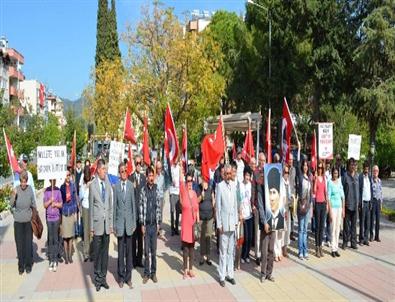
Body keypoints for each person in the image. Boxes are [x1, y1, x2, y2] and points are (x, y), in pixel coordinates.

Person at [89, 159, 113, 292]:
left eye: (106, 169)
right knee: (97, 253)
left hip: (106, 226)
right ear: (98, 170)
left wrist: (111, 224)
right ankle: (97, 279)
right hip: (97, 225)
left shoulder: (108, 184)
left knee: (105, 253)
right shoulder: (92, 186)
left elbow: (110, 205)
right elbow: (91, 209)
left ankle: (103, 278)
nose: (105, 171)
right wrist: (91, 227)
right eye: (104, 169)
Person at [113, 163, 136, 289]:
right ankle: (121, 277)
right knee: (120, 253)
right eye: (121, 171)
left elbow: (133, 205)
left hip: (129, 225)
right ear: (119, 173)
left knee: (129, 253)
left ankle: (129, 278)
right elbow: (114, 207)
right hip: (120, 225)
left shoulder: (131, 186)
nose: (123, 173)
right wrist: (114, 226)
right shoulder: (116, 187)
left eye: (125, 171)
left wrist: (134, 223)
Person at [10, 171, 36, 275]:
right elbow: (11, 204)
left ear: (27, 181)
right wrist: (13, 195)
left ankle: (28, 265)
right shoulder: (16, 189)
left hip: (28, 222)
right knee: (19, 245)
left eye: (25, 182)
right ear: (20, 181)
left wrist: (35, 216)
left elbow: (33, 203)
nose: (23, 184)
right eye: (21, 182)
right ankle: (21, 265)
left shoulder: (30, 189)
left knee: (28, 244)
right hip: (18, 222)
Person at [216, 165, 238, 287]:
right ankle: (222, 275)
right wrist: (219, 224)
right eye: (227, 174)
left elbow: (235, 205)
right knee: (223, 251)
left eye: (230, 173)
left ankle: (230, 274)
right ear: (224, 174)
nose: (229, 176)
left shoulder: (234, 186)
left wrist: (235, 222)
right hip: (224, 225)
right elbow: (218, 208)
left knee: (231, 250)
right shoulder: (220, 186)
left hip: (232, 224)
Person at [140, 166, 162, 284]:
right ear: (146, 177)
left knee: (153, 252)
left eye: (152, 175)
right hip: (146, 225)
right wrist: (142, 224)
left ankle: (153, 273)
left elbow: (158, 207)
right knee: (146, 252)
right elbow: (141, 208)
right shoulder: (143, 190)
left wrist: (159, 223)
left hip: (154, 225)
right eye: (149, 176)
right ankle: (146, 273)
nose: (151, 178)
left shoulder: (157, 189)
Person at [180, 170, 200, 279]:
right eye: (188, 181)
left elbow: (196, 209)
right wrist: (179, 169)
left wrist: (198, 223)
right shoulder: (184, 192)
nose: (189, 183)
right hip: (185, 224)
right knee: (186, 249)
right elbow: (180, 181)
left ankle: (191, 269)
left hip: (193, 224)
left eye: (191, 181)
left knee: (192, 248)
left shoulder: (195, 194)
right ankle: (185, 270)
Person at [129, 155, 146, 268]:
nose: (139, 165)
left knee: (140, 239)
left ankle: (139, 260)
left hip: (141, 214)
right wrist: (134, 187)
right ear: (135, 164)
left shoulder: (144, 178)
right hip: (133, 214)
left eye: (140, 163)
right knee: (133, 239)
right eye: (137, 163)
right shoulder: (130, 178)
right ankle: (133, 261)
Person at [60, 169, 79, 264]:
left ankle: (70, 255)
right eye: (66, 175)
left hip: (71, 212)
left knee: (71, 236)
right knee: (65, 237)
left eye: (69, 175)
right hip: (64, 213)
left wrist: (75, 212)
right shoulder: (62, 187)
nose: (68, 177)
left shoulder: (73, 186)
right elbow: (61, 200)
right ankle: (66, 256)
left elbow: (75, 200)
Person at [43, 179, 62, 272]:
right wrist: (50, 201)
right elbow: (44, 205)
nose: (53, 181)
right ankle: (51, 259)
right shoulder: (46, 191)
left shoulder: (58, 190)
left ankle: (55, 259)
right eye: (52, 180)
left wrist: (56, 204)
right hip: (49, 218)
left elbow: (61, 204)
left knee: (55, 239)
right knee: (50, 239)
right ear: (50, 181)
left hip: (56, 218)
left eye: (54, 180)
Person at [342, 158, 359, 250]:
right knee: (346, 225)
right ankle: (345, 242)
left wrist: (359, 203)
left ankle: (353, 242)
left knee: (354, 225)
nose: (353, 166)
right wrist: (343, 204)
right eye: (352, 165)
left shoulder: (357, 176)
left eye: (354, 165)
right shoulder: (345, 176)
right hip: (347, 204)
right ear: (348, 166)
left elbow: (359, 190)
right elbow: (342, 190)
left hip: (355, 204)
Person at [297, 159, 313, 260]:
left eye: (307, 165)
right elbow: (298, 162)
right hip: (301, 205)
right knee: (301, 229)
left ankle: (305, 251)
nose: (305, 167)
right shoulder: (300, 177)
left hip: (307, 206)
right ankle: (300, 251)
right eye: (304, 165)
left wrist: (311, 205)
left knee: (305, 230)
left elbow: (311, 194)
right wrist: (298, 148)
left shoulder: (310, 178)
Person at [327, 167, 344, 257]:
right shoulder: (329, 183)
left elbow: (343, 195)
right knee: (333, 229)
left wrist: (343, 209)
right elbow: (328, 198)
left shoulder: (340, 182)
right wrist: (329, 210)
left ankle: (336, 248)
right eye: (334, 173)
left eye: (337, 173)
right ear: (332, 174)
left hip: (339, 207)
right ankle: (333, 249)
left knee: (338, 229)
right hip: (333, 208)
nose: (335, 175)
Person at [253, 152, 265, 265]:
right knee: (257, 232)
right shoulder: (255, 172)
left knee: (263, 232)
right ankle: (257, 254)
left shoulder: (267, 171)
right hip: (257, 205)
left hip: (265, 207)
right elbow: (253, 189)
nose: (262, 162)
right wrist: (253, 204)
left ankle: (263, 252)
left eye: (264, 160)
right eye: (261, 160)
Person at [313, 161, 328, 257]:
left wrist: (327, 204)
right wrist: (315, 179)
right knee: (317, 227)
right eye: (318, 167)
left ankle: (321, 247)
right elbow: (314, 190)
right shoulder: (316, 179)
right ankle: (317, 247)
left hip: (323, 203)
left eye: (321, 168)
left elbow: (326, 191)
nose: (320, 169)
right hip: (317, 204)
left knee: (322, 227)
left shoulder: (324, 178)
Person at [199, 178, 215, 266]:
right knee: (202, 237)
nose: (203, 183)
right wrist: (201, 196)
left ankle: (208, 256)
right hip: (201, 217)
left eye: (205, 181)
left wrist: (214, 213)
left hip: (209, 217)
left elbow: (213, 202)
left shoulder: (211, 189)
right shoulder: (198, 189)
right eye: (202, 181)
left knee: (208, 237)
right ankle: (202, 256)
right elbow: (197, 201)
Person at [278, 164, 291, 259]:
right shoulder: (281, 182)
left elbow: (289, 196)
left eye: (287, 172)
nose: (286, 174)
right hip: (282, 209)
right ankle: (281, 249)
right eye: (285, 172)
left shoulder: (288, 183)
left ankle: (285, 248)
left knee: (288, 229)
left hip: (288, 208)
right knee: (282, 230)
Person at [240, 170, 253, 264]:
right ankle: (242, 255)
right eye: (246, 175)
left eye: (249, 176)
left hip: (250, 214)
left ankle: (247, 255)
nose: (247, 177)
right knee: (245, 237)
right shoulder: (240, 185)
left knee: (250, 237)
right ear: (244, 175)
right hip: (243, 215)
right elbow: (239, 200)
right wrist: (240, 213)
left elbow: (251, 198)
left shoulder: (250, 185)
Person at [80, 166, 93, 262]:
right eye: (86, 173)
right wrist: (85, 187)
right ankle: (86, 253)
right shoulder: (82, 183)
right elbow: (80, 196)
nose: (88, 175)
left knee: (91, 230)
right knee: (86, 230)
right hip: (85, 207)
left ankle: (92, 252)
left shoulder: (93, 181)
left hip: (92, 208)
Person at [358, 161, 373, 246]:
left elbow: (370, 190)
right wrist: (360, 203)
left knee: (368, 222)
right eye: (365, 168)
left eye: (368, 169)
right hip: (363, 203)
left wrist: (371, 202)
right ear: (363, 168)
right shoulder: (361, 177)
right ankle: (361, 239)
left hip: (368, 202)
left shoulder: (369, 178)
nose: (366, 170)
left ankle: (366, 239)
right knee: (362, 222)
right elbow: (359, 191)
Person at [370, 165, 383, 242]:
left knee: (378, 220)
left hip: (378, 202)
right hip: (373, 201)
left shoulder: (379, 180)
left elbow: (381, 192)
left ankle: (377, 236)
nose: (375, 172)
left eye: (377, 171)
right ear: (372, 171)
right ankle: (371, 236)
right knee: (372, 219)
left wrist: (381, 203)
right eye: (374, 171)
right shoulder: (370, 180)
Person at [169, 160, 181, 236]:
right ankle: (172, 228)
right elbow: (168, 179)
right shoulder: (170, 168)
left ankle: (176, 228)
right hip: (172, 192)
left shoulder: (179, 168)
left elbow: (181, 178)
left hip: (178, 192)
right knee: (172, 211)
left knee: (177, 211)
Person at [287, 154, 297, 241]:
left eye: (292, 159)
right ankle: (286, 233)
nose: (291, 161)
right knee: (287, 216)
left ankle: (292, 233)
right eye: (289, 159)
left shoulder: (294, 169)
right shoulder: (285, 169)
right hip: (286, 197)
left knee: (292, 216)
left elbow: (295, 182)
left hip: (293, 196)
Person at [155, 161, 166, 237]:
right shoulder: (154, 176)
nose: (159, 169)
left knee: (160, 214)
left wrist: (164, 199)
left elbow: (164, 188)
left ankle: (159, 228)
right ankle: (156, 229)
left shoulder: (163, 177)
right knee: (155, 213)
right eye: (157, 168)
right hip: (155, 198)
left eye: (160, 168)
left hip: (161, 197)